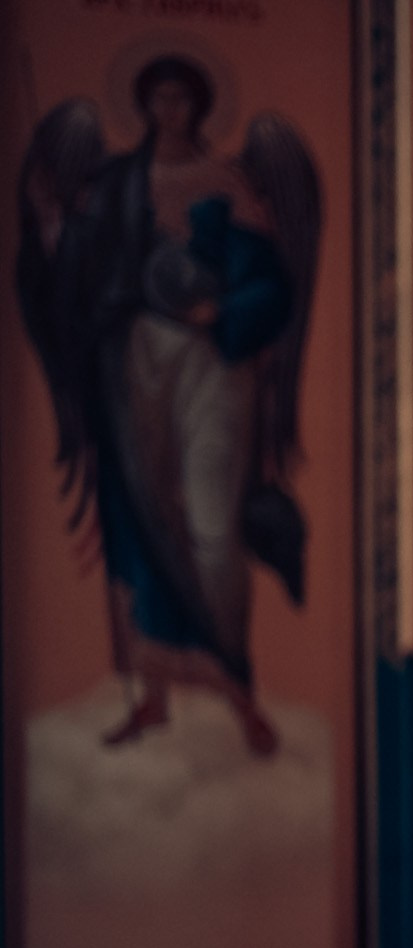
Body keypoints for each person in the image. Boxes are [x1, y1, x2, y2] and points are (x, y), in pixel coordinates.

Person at [15, 54, 321, 754]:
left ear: (201, 105)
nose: (170, 108)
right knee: (140, 514)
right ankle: (152, 695)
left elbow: (275, 286)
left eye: (182, 96)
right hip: (135, 356)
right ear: (146, 105)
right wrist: (56, 227)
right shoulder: (117, 184)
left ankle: (237, 690)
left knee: (214, 526)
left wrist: (227, 311)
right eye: (158, 96)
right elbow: (81, 278)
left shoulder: (230, 182)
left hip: (217, 360)